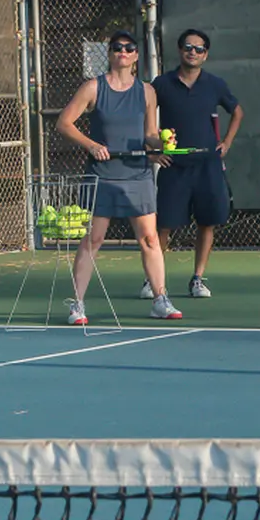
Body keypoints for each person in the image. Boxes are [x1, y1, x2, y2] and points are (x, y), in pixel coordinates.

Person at [55, 31, 182, 324]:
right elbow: (64, 123)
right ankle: (77, 305)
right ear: (110, 54)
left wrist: (160, 144)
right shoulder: (93, 88)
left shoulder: (147, 91)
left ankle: (160, 299)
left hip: (138, 175)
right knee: (94, 239)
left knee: (150, 238)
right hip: (103, 175)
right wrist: (92, 145)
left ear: (136, 56)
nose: (123, 52)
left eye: (128, 48)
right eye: (117, 48)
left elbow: (149, 134)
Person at [141, 28, 243, 299]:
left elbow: (237, 112)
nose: (193, 52)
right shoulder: (160, 84)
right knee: (163, 225)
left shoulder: (215, 85)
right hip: (174, 167)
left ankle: (197, 278)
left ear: (205, 55)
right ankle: (153, 280)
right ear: (180, 50)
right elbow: (146, 122)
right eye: (188, 47)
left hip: (207, 166)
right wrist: (153, 153)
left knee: (206, 223)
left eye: (199, 49)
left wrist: (227, 143)